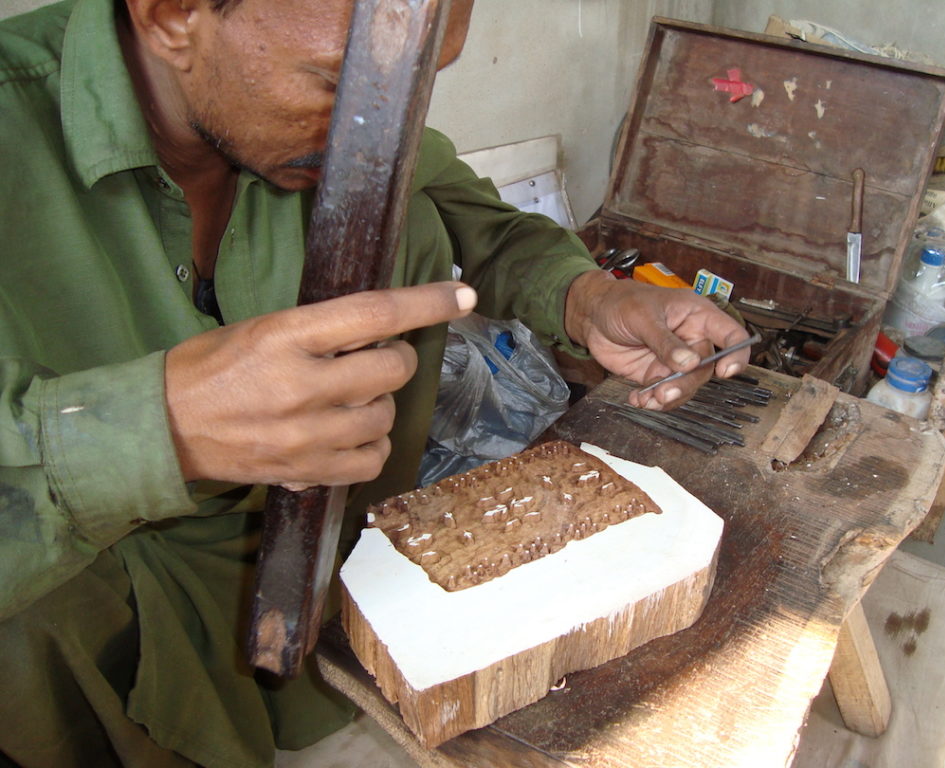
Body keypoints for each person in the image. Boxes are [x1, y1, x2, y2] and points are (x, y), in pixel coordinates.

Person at [0, 0, 750, 765]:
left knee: (411, 210)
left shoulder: (359, 117)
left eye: (422, 84)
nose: (388, 130)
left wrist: (587, 297)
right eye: (336, 82)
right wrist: (156, 428)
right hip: (107, 638)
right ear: (171, 16)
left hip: (340, 575)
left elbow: (481, 224)